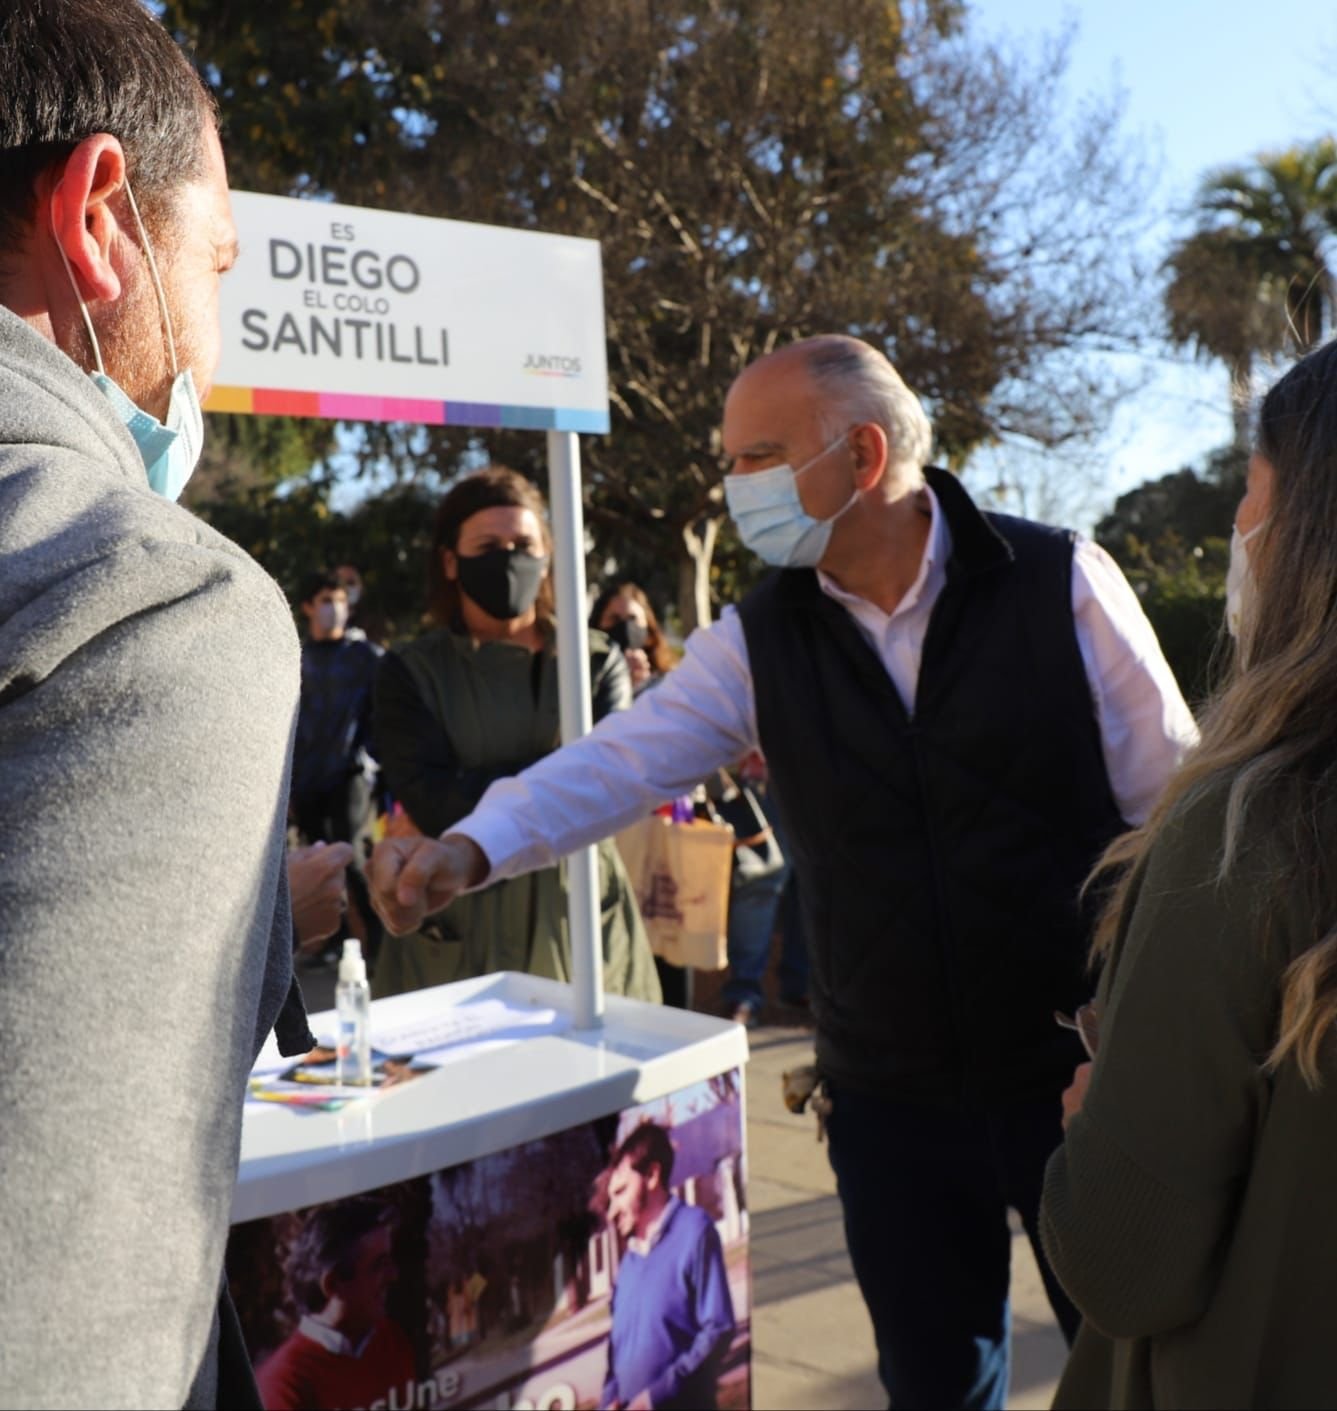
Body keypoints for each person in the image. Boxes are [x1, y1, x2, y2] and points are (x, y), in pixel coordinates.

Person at [369, 335, 1197, 1409]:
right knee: (936, 1382)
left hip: (1077, 1076)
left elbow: (1177, 819)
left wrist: (1156, 1035)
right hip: (887, 1097)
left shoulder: (1059, 583)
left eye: (756, 455)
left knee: (1141, 1367)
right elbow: (612, 764)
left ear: (860, 456)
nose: (733, 486)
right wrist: (466, 849)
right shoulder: (758, 640)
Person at [0, 3, 314, 1405]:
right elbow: (65, 1328)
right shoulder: (149, 610)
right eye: (216, 262)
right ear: (100, 219)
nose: (212, 332)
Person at [1040, 342, 1337, 1408]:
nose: (1237, 537)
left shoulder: (1250, 829)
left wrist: (1095, 1117)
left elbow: (1124, 1261)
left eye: (1247, 499)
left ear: (1306, 532)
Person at [370, 467, 660, 1001]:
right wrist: (558, 782)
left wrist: (491, 787)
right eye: (489, 545)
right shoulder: (411, 671)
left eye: (524, 544)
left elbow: (605, 784)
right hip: (456, 911)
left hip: (576, 908)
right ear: (452, 562)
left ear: (548, 555)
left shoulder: (595, 660)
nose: (509, 557)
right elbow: (433, 800)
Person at [600, 1124, 736, 1410]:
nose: (611, 1211)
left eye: (621, 1191)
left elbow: (718, 1330)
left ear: (651, 1175)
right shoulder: (627, 1266)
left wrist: (655, 1398)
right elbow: (615, 1357)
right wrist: (608, 1401)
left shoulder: (695, 1231)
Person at [291, 569, 384, 960]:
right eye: (326, 601)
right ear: (309, 607)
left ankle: (375, 944)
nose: (335, 609)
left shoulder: (365, 657)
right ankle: (334, 942)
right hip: (306, 779)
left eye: (341, 601)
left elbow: (382, 717)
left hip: (349, 776)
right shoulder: (294, 658)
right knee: (317, 863)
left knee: (352, 861)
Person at [256, 1199, 415, 1411]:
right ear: (332, 1284)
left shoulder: (391, 1339)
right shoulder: (282, 1383)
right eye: (379, 1265)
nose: (393, 1275)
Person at [590, 580, 676, 695]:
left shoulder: (670, 681)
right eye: (615, 619)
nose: (625, 627)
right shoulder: (587, 680)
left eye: (633, 618)